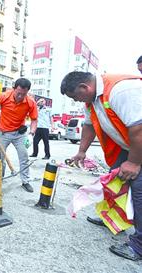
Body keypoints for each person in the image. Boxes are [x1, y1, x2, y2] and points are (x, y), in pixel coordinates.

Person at [60, 71, 142, 261]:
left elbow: (139, 128)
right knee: (115, 182)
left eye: (75, 97)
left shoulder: (121, 90)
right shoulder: (92, 100)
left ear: (84, 87)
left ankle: (139, 246)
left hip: (138, 145)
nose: (76, 101)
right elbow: (89, 126)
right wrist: (81, 151)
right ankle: (113, 219)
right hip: (130, 145)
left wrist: (134, 162)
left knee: (139, 191)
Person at [0, 78, 38, 192]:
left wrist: (31, 134)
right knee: (0, 158)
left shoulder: (30, 102)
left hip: (20, 134)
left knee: (24, 157)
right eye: (18, 93)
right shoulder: (4, 96)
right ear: (14, 89)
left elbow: (34, 120)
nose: (20, 96)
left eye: (23, 94)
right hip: (3, 133)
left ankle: (25, 181)